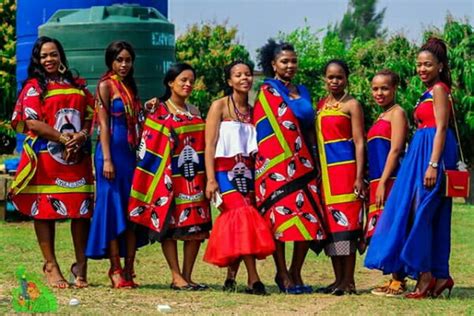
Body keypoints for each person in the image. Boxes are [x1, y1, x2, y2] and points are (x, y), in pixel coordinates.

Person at [365, 38, 458, 299]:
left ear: (440, 65)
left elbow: (441, 127)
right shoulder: (427, 91)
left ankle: (426, 275)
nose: (422, 69)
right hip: (421, 151)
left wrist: (433, 164)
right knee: (428, 215)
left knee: (422, 213)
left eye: (428, 64)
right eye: (418, 64)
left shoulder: (440, 89)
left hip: (432, 153)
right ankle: (439, 275)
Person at [10, 36, 94, 289]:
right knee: (45, 210)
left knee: (81, 211)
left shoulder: (77, 84)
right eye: (44, 56)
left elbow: (91, 114)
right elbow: (31, 122)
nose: (49, 59)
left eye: (53, 54)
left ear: (61, 56)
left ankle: (81, 266)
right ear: (37, 60)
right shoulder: (35, 87)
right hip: (47, 159)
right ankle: (50, 265)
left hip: (76, 157)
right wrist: (62, 137)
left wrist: (80, 136)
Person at [128, 63, 211, 290]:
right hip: (168, 178)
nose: (188, 84)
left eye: (191, 81)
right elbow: (148, 144)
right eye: (183, 80)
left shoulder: (195, 111)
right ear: (170, 82)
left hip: (194, 177)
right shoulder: (159, 110)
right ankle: (176, 276)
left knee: (196, 227)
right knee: (171, 228)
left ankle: (187, 275)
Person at [254, 39, 326, 294]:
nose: (290, 65)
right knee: (280, 220)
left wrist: (316, 160)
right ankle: (282, 273)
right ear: (273, 64)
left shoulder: (303, 91)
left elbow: (310, 127)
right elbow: (265, 129)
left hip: (305, 165)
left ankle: (296, 270)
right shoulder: (268, 91)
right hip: (277, 167)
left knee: (309, 219)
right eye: (284, 61)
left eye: (293, 61)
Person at [203, 60, 275, 295]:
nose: (244, 78)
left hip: (249, 173)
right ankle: (253, 279)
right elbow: (210, 144)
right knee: (242, 216)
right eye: (237, 75)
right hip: (224, 172)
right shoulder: (220, 106)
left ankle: (230, 277)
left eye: (247, 74)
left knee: (242, 223)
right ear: (229, 81)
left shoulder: (255, 110)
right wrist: (211, 179)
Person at [85, 41, 149, 288]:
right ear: (110, 61)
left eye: (128, 60)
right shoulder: (105, 85)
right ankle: (115, 269)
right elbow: (102, 125)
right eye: (119, 60)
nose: (124, 64)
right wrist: (108, 160)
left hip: (130, 155)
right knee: (112, 210)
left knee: (131, 211)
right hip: (110, 154)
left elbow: (137, 121)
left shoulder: (130, 87)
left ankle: (131, 269)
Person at [316, 59, 365, 295]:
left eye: (339, 77)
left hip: (345, 172)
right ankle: (338, 280)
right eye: (330, 77)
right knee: (333, 229)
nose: (334, 81)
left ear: (346, 79)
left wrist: (358, 176)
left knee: (347, 228)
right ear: (325, 79)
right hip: (325, 174)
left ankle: (349, 280)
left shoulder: (352, 105)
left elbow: (359, 142)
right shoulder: (321, 105)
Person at [364, 70, 408, 297]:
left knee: (394, 227)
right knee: (384, 228)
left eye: (384, 88)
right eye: (375, 89)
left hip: (391, 180)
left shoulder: (397, 113)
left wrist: (382, 183)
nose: (379, 93)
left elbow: (396, 149)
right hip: (377, 181)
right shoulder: (381, 116)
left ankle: (399, 281)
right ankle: (393, 278)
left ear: (394, 89)